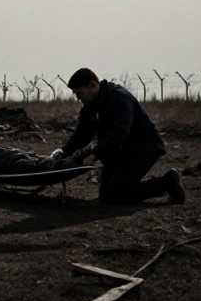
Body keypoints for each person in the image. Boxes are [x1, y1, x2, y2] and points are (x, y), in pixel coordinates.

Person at [52, 67, 184, 205]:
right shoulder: (90, 106)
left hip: (144, 148)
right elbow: (82, 134)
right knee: (106, 197)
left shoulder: (119, 98)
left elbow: (119, 134)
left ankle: (167, 182)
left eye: (79, 93)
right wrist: (62, 151)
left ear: (92, 85)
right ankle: (132, 187)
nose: (78, 98)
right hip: (120, 150)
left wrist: (93, 155)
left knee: (115, 195)